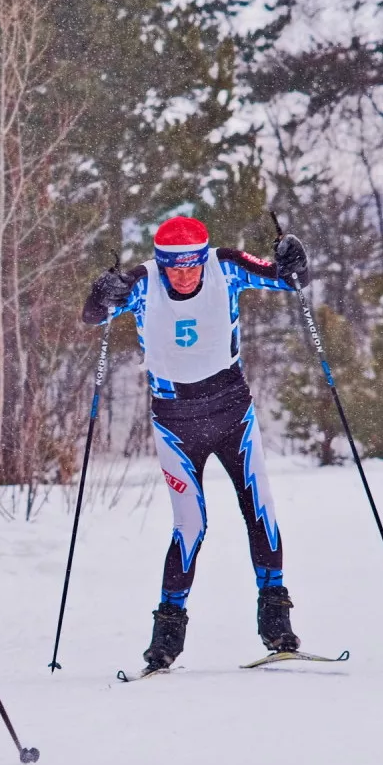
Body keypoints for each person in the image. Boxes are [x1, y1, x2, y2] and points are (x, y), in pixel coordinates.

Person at [83, 216, 308, 673]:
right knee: (190, 526)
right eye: (174, 268)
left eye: (191, 266)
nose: (184, 275)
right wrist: (100, 292)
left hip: (232, 412)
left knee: (259, 510)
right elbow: (93, 316)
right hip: (175, 422)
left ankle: (278, 629)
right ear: (161, 263)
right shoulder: (143, 282)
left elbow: (290, 281)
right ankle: (165, 641)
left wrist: (294, 258)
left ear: (202, 258)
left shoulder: (224, 266)